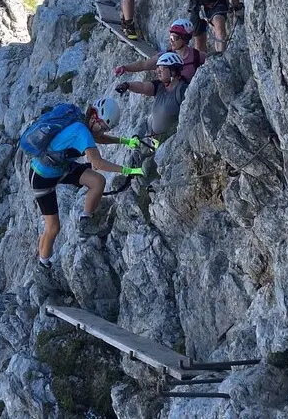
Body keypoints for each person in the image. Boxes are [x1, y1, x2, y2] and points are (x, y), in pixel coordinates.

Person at [22, 98, 145, 277]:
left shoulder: (82, 123)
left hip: (60, 168)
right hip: (42, 177)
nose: (103, 130)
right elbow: (98, 163)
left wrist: (126, 142)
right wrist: (128, 170)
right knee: (53, 227)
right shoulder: (81, 131)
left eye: (105, 128)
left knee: (97, 182)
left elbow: (98, 138)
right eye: (102, 126)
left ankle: (85, 222)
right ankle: (43, 266)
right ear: (94, 118)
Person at [115, 52, 189, 140]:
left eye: (161, 68)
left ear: (173, 71)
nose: (158, 71)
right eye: (157, 67)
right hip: (155, 139)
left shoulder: (183, 90)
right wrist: (127, 85)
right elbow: (142, 87)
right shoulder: (160, 86)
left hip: (171, 140)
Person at [114, 19, 205, 81]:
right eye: (170, 37)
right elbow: (144, 65)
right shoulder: (165, 57)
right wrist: (125, 68)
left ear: (185, 39)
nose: (171, 41)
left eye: (175, 38)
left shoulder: (197, 56)